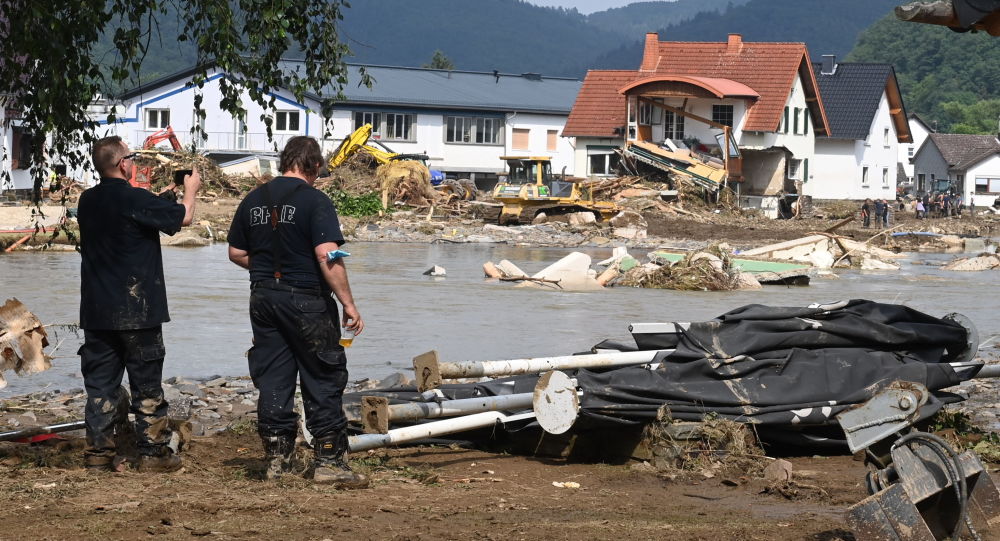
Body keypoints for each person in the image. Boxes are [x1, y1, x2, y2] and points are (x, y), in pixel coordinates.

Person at [227, 136, 367, 487]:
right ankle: (330, 461)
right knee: (322, 374)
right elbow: (328, 255)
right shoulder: (315, 201)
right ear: (314, 166)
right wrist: (348, 303)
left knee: (274, 374)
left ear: (283, 162)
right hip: (306, 300)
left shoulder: (253, 199)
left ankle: (277, 461)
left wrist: (271, 270)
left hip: (262, 298)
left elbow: (235, 252)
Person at [77, 136, 201, 472]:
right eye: (130, 157)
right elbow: (185, 219)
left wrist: (162, 200)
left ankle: (98, 457)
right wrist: (190, 190)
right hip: (138, 311)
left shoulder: (87, 201)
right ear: (122, 163)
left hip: (97, 312)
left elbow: (125, 220)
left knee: (100, 388)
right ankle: (152, 455)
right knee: (146, 385)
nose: (133, 162)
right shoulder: (135, 198)